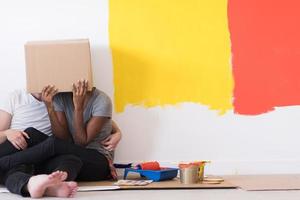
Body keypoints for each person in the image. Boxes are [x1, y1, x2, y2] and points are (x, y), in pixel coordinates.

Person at [0, 84, 121, 197]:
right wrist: (7, 133)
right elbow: (64, 138)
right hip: (59, 154)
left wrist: (117, 132)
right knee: (68, 159)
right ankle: (54, 186)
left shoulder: (98, 99)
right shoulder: (58, 98)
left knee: (47, 141)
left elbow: (82, 139)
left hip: (95, 158)